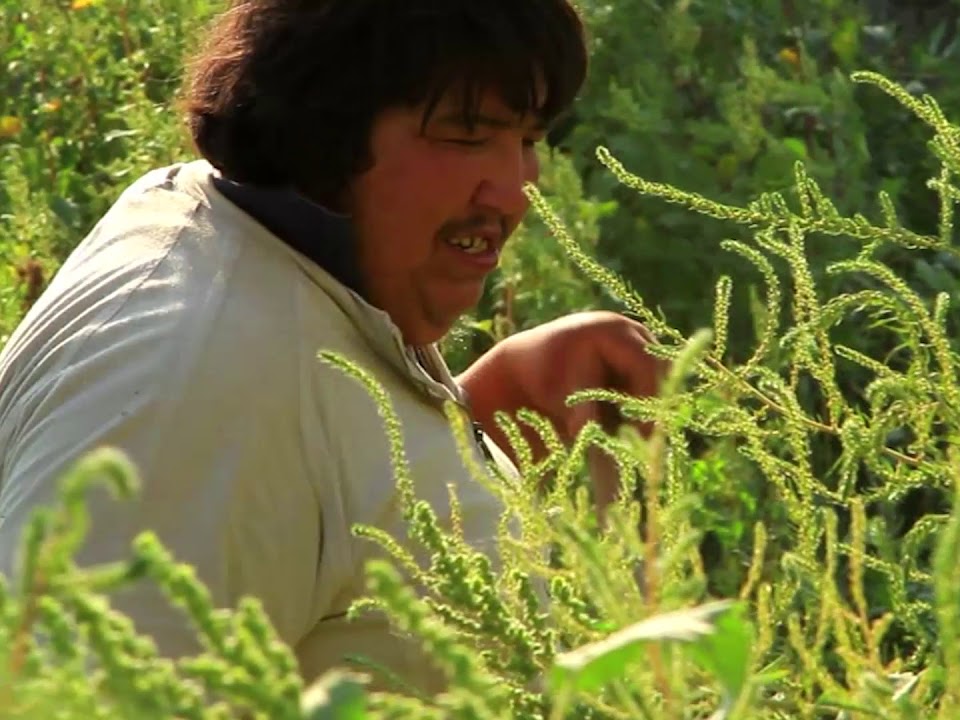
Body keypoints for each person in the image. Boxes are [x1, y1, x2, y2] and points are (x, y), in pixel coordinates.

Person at [0, 0, 662, 696]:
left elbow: (301, 513)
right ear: (328, 128)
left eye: (527, 137)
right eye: (468, 136)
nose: (516, 189)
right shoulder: (205, 390)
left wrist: (481, 410)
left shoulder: (227, 240)